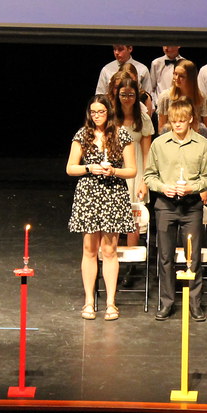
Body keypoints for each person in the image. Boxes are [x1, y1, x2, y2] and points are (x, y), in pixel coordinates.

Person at [66, 95, 139, 322]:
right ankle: (89, 301)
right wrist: (89, 167)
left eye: (101, 112)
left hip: (113, 194)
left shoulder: (120, 134)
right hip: (89, 195)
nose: (97, 116)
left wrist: (112, 171)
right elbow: (70, 168)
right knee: (89, 249)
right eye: (93, 112)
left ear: (109, 112)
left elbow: (132, 170)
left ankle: (110, 303)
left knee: (109, 250)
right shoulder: (83, 134)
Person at [144, 99, 207, 321]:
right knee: (165, 256)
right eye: (174, 121)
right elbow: (149, 176)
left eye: (181, 121)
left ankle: (195, 304)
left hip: (191, 206)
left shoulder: (203, 144)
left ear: (191, 120)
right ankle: (167, 302)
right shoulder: (159, 144)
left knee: (192, 257)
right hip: (165, 206)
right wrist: (163, 187)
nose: (177, 125)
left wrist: (192, 188)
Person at [113, 77, 154, 266]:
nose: (127, 98)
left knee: (133, 221)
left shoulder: (142, 118)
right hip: (115, 169)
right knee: (113, 219)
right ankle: (111, 259)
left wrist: (144, 180)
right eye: (123, 94)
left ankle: (131, 265)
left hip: (136, 171)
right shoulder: (112, 117)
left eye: (131, 95)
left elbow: (147, 153)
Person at [158, 59, 207, 134]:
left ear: (191, 78)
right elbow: (161, 128)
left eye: (181, 76)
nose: (176, 78)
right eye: (175, 74)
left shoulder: (202, 98)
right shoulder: (165, 97)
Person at [146, 45, 183, 110]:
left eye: (169, 45)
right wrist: (153, 105)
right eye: (164, 45)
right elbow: (152, 87)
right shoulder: (156, 63)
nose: (166, 48)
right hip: (160, 106)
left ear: (178, 45)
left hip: (179, 106)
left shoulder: (184, 63)